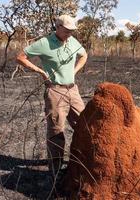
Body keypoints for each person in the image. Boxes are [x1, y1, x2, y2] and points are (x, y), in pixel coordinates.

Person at [16, 14, 87, 184]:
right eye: (67, 30)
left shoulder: (72, 41)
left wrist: (74, 72)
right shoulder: (44, 43)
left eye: (72, 30)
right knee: (56, 131)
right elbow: (20, 57)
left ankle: (81, 163)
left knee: (84, 124)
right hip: (55, 92)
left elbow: (84, 55)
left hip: (73, 90)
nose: (70, 33)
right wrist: (41, 72)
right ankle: (55, 171)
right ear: (58, 27)